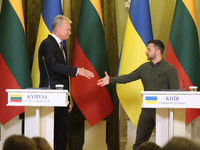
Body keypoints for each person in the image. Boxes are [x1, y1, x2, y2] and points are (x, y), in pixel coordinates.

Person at [97, 40, 179, 150]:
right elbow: (128, 77)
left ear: (158, 51)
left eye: (149, 49)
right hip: (147, 111)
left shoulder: (170, 68)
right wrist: (111, 79)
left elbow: (175, 92)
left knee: (165, 142)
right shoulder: (144, 67)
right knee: (139, 143)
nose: (146, 51)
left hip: (164, 111)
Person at [38, 15, 94, 150]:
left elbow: (62, 76)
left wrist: (67, 99)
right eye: (68, 29)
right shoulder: (47, 44)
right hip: (50, 95)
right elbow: (54, 67)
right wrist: (77, 71)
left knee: (61, 133)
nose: (70, 32)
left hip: (60, 96)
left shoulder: (61, 45)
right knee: (53, 133)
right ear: (58, 28)